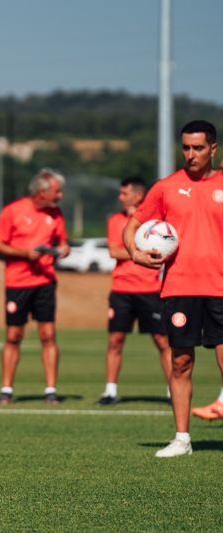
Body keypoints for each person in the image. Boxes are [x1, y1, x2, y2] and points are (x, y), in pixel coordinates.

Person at [124, 120, 223, 457]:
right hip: (179, 287)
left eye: (197, 148)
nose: (190, 154)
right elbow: (134, 225)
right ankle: (182, 439)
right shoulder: (166, 187)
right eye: (185, 147)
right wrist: (136, 253)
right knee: (180, 362)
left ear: (213, 148)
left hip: (220, 286)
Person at [0, 169, 70, 405]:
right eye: (57, 191)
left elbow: (63, 240)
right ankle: (6, 389)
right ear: (42, 191)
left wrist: (64, 248)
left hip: (45, 282)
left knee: (48, 335)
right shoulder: (13, 211)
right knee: (14, 336)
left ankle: (50, 390)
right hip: (17, 283)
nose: (60, 195)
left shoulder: (56, 213)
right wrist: (25, 254)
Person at [96, 177, 171, 405]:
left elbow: (164, 248)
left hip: (150, 290)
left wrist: (133, 249)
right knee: (115, 340)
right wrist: (142, 251)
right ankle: (110, 391)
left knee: (162, 341)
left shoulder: (155, 223)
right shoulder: (115, 220)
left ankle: (172, 391)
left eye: (124, 193)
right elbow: (114, 252)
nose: (120, 197)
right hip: (121, 290)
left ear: (138, 196)